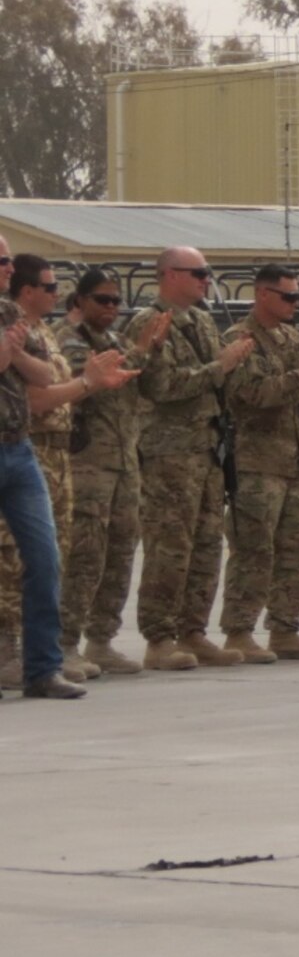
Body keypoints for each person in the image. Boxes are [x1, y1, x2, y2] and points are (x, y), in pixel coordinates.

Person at [132, 246, 256, 670]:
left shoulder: (203, 320)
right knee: (170, 547)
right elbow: (160, 386)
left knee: (206, 544)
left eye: (208, 272)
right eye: (197, 272)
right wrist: (218, 367)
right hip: (170, 453)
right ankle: (159, 637)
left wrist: (229, 365)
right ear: (168, 275)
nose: (206, 279)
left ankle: (193, 630)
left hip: (206, 451)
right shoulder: (150, 323)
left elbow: (215, 382)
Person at [214, 266, 299, 661]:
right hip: (256, 463)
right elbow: (254, 394)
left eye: (297, 297)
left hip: (294, 461)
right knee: (254, 549)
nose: (294, 304)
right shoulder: (241, 340)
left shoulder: (290, 338)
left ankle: (284, 628)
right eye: (288, 297)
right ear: (263, 295)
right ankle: (239, 630)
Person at [57, 270, 151, 674]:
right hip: (88, 465)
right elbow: (83, 378)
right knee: (85, 556)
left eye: (116, 302)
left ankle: (101, 639)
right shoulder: (68, 338)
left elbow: (134, 377)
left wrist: (143, 350)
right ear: (79, 301)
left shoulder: (115, 340)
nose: (111, 308)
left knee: (120, 552)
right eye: (102, 300)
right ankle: (64, 642)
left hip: (124, 463)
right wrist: (138, 352)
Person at [0, 296, 89, 697]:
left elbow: (43, 375)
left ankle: (43, 669)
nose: (7, 269)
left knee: (44, 556)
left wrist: (14, 352)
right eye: (1, 262)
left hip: (18, 448)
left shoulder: (9, 313)